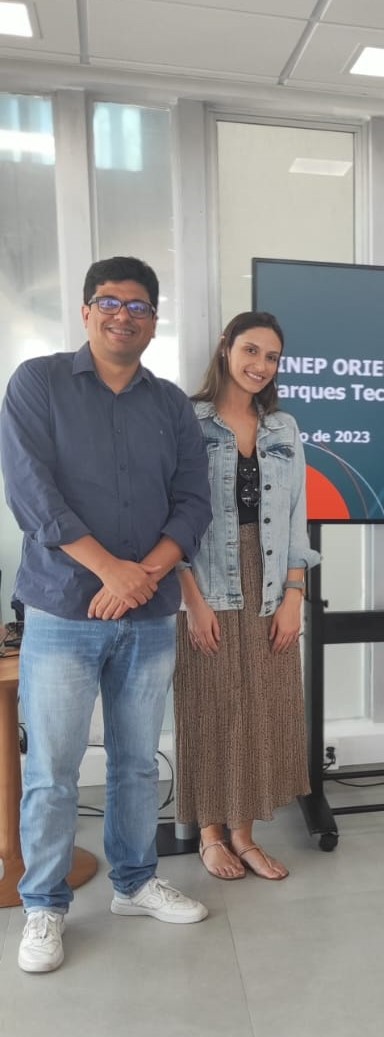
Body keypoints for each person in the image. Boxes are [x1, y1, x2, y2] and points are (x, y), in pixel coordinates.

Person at [0, 256, 213, 974]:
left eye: (140, 306)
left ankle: (134, 882)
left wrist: (141, 575)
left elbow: (194, 502)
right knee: (54, 768)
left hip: (148, 613)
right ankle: (44, 904)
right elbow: (31, 492)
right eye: (111, 302)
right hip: (63, 608)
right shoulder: (38, 383)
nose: (125, 315)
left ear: (154, 321)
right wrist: (109, 570)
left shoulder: (171, 405)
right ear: (87, 311)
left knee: (136, 762)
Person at [173, 311, 320, 881]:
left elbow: (296, 517)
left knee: (262, 705)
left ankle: (244, 833)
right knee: (210, 704)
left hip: (271, 579)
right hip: (206, 579)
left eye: (272, 356)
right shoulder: (188, 420)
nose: (261, 365)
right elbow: (171, 514)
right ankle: (211, 834)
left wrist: (294, 596)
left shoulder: (283, 427)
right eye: (251, 350)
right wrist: (191, 599)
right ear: (225, 348)